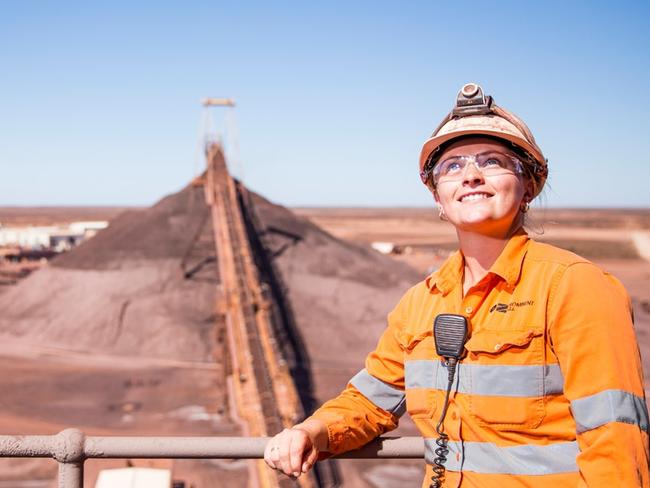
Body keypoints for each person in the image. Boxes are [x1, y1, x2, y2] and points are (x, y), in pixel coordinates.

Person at [264, 83, 650, 487]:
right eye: (452, 166)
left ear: (527, 187)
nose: (470, 175)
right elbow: (370, 400)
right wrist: (313, 431)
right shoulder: (421, 303)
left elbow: (615, 441)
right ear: (438, 198)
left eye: (493, 161)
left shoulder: (574, 286)